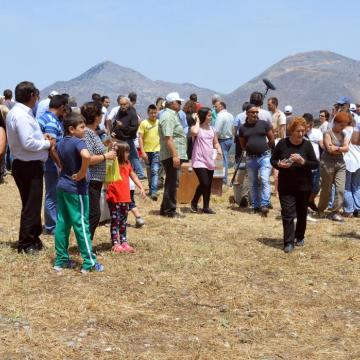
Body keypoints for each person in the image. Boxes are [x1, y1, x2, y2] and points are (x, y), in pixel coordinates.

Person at [6, 81, 55, 254]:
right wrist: (47, 144)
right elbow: (27, 143)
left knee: (32, 204)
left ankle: (33, 238)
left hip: (28, 164)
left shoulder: (22, 113)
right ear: (32, 95)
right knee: (31, 206)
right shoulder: (20, 115)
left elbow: (28, 137)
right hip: (27, 165)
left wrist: (42, 136)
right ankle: (26, 244)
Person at [54, 113, 104, 273]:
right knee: (81, 224)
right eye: (81, 127)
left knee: (62, 223)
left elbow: (52, 149)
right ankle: (89, 262)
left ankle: (61, 259)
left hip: (62, 186)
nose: (84, 130)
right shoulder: (78, 142)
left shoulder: (61, 142)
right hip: (76, 189)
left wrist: (61, 166)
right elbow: (86, 155)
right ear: (71, 129)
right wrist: (83, 172)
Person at [271, 117, 318, 253]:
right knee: (287, 214)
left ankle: (299, 236)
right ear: (291, 131)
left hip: (304, 186)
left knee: (302, 213)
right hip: (286, 185)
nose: (301, 134)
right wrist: (279, 165)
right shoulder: (282, 144)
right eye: (298, 131)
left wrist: (303, 162)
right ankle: (288, 242)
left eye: (303, 131)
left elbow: (315, 164)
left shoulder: (307, 145)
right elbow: (273, 159)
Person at [82, 101, 117, 240]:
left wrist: (106, 144)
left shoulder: (93, 133)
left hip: (97, 179)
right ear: (96, 116)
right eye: (100, 114)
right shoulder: (87, 133)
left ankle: (86, 243)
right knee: (93, 214)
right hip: (91, 179)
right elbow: (88, 159)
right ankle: (86, 244)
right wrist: (106, 156)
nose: (102, 116)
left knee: (94, 213)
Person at [106, 141, 146, 253]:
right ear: (120, 152)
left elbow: (133, 175)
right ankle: (115, 243)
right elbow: (108, 153)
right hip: (114, 197)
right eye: (126, 151)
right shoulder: (112, 162)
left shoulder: (127, 163)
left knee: (123, 221)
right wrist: (111, 147)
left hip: (125, 198)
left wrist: (141, 187)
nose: (128, 153)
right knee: (115, 220)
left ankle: (123, 241)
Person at [37, 94, 68, 235]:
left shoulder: (44, 117)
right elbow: (52, 147)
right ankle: (51, 226)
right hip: (51, 164)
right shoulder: (51, 121)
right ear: (62, 107)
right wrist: (60, 165)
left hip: (48, 163)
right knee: (52, 194)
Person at [239, 104, 274, 215]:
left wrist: (267, 147)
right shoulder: (242, 128)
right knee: (253, 182)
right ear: (247, 114)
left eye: (256, 112)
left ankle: (264, 204)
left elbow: (271, 138)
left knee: (264, 179)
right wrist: (249, 149)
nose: (255, 114)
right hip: (251, 158)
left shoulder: (263, 124)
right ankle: (255, 206)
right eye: (252, 112)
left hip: (264, 157)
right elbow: (242, 143)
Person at [317, 112, 350, 222]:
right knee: (326, 189)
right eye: (341, 125)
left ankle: (335, 212)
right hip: (327, 163)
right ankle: (321, 209)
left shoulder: (344, 134)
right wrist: (340, 149)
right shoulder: (328, 133)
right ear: (335, 122)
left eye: (345, 125)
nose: (343, 127)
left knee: (340, 188)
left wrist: (337, 148)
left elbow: (346, 148)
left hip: (340, 163)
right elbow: (329, 149)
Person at [159, 92, 187, 218]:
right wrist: (175, 155)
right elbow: (168, 138)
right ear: (171, 103)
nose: (180, 104)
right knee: (172, 182)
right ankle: (170, 210)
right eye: (178, 102)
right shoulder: (168, 116)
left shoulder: (173, 115)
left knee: (171, 181)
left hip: (174, 154)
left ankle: (165, 208)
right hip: (171, 155)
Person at [190, 107, 222, 214]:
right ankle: (194, 201)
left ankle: (206, 207)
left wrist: (219, 150)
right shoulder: (196, 128)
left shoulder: (212, 129)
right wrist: (198, 121)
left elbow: (216, 142)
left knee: (208, 184)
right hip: (198, 160)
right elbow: (194, 132)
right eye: (209, 115)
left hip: (210, 160)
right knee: (204, 182)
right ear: (203, 116)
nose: (211, 117)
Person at [111, 96, 145, 179]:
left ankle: (140, 174)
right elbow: (116, 122)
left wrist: (122, 126)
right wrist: (113, 131)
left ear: (128, 104)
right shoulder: (120, 111)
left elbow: (134, 127)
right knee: (120, 157)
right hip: (119, 138)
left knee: (133, 156)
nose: (123, 106)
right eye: (121, 104)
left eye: (124, 104)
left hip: (128, 138)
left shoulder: (132, 113)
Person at [302, 113, 324, 218]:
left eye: (309, 125)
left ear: (312, 124)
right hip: (304, 164)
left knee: (316, 186)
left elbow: (322, 145)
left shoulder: (317, 132)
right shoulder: (299, 133)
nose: (307, 128)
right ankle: (304, 207)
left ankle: (309, 201)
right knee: (305, 186)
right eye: (305, 125)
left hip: (316, 163)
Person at [138, 104, 160, 200]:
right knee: (149, 171)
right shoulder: (144, 123)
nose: (154, 115)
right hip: (147, 151)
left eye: (155, 113)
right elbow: (140, 138)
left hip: (157, 151)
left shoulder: (159, 123)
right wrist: (142, 151)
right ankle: (151, 189)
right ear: (148, 113)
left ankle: (154, 191)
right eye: (151, 113)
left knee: (155, 170)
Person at [214, 100, 234, 185]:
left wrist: (214, 141)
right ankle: (222, 179)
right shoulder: (230, 115)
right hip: (229, 139)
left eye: (216, 106)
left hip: (222, 140)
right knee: (224, 159)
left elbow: (217, 130)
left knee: (222, 160)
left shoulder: (220, 116)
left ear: (221, 106)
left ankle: (223, 180)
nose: (215, 108)